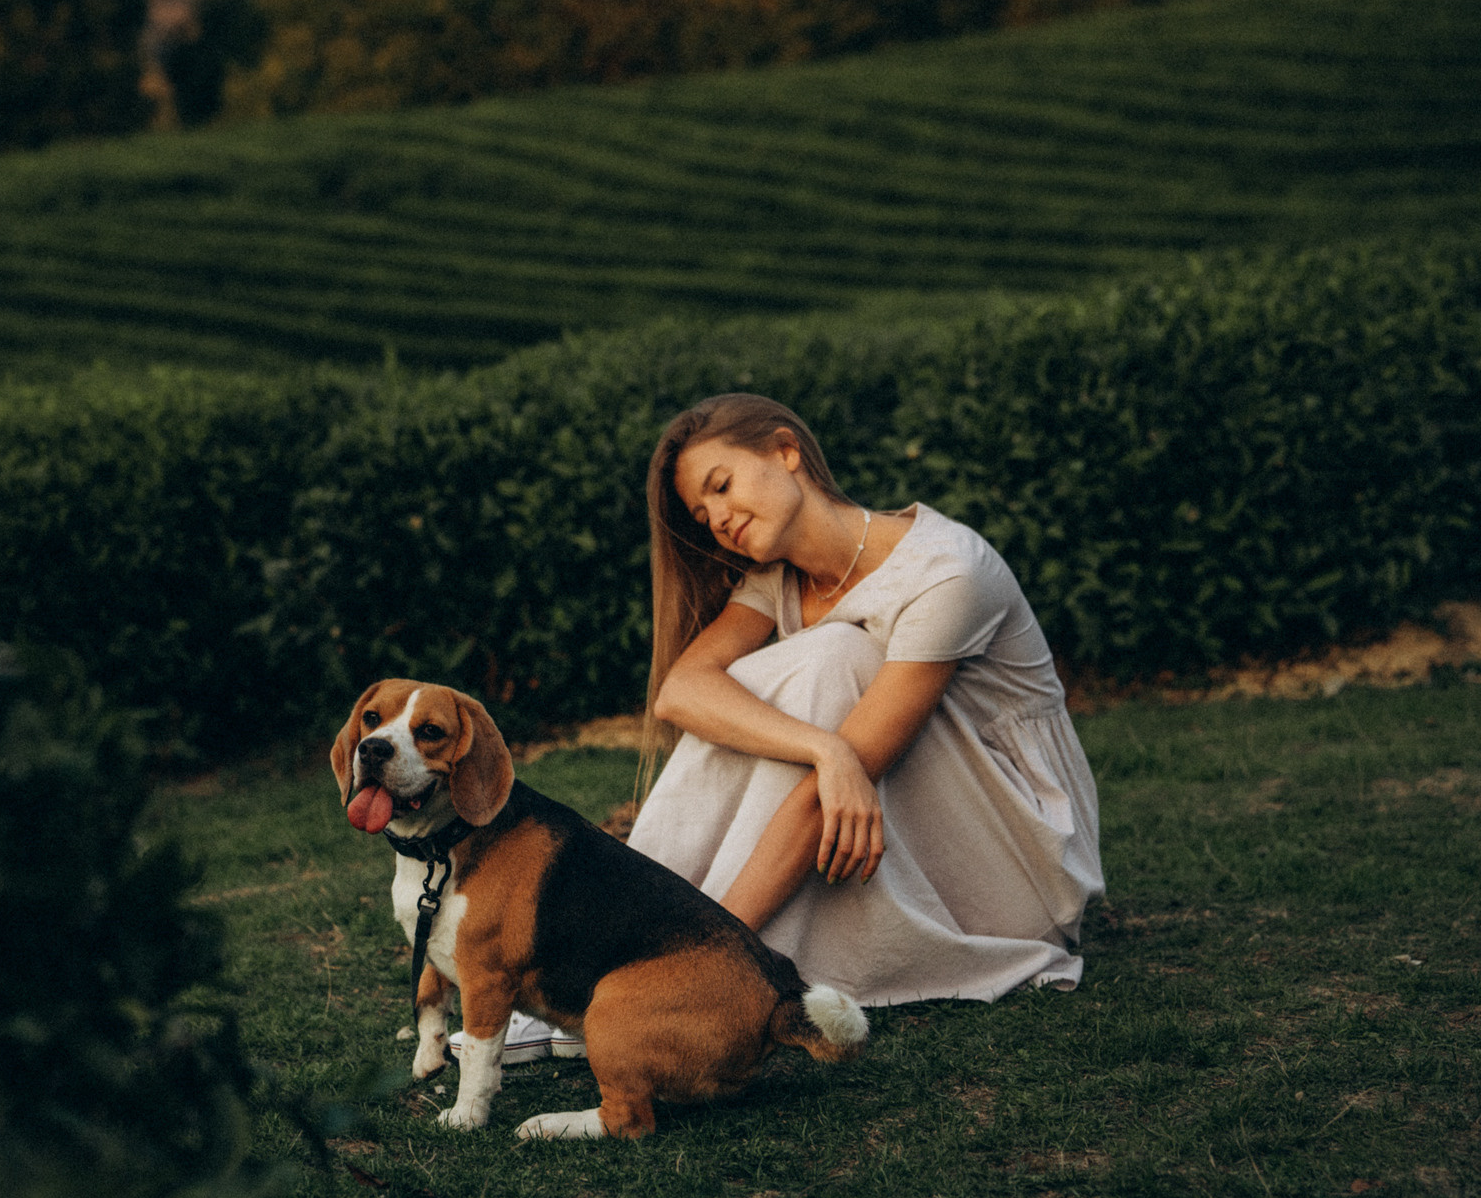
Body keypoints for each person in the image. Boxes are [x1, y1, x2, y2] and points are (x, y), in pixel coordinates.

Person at [457, 393, 1103, 1061]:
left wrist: (701, 965)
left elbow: (823, 795)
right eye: (703, 515)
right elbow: (681, 692)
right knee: (756, 701)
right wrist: (822, 747)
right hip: (915, 825)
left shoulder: (946, 573)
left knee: (831, 657)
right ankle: (610, 956)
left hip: (1019, 864)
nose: (719, 521)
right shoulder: (780, 579)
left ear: (787, 451)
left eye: (722, 485)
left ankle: (656, 970)